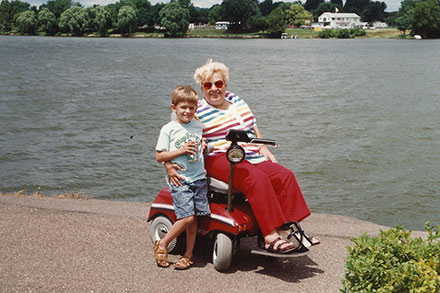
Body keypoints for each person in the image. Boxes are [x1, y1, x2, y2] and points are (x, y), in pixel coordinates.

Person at [165, 60, 318, 254]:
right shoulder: (197, 110)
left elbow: (252, 124)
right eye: (208, 85)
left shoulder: (236, 100)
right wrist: (169, 164)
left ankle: (286, 230)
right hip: (219, 155)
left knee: (284, 176)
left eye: (218, 84)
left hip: (250, 153)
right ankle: (270, 237)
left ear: (225, 85)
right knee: (256, 179)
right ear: (202, 88)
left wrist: (262, 146)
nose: (214, 89)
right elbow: (176, 135)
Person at [154, 85, 210, 269]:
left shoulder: (198, 126)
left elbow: (199, 141)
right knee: (186, 217)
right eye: (183, 107)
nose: (187, 111)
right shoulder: (168, 129)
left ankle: (188, 254)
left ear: (196, 109)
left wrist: (203, 145)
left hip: (198, 178)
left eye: (191, 108)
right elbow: (159, 156)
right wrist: (181, 150)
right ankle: (163, 243)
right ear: (174, 108)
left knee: (193, 219)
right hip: (181, 179)